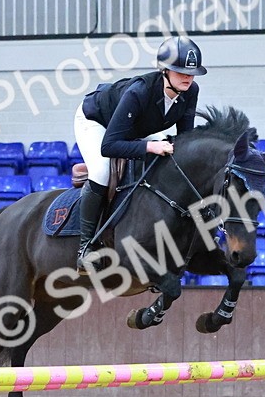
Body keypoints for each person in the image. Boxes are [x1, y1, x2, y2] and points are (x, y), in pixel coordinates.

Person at [72, 35, 207, 272]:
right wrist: (150, 147)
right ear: (165, 71)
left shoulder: (190, 91)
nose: (188, 77)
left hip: (134, 129)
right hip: (97, 122)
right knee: (102, 171)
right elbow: (109, 146)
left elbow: (185, 138)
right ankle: (85, 247)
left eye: (192, 72)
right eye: (180, 72)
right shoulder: (139, 92)